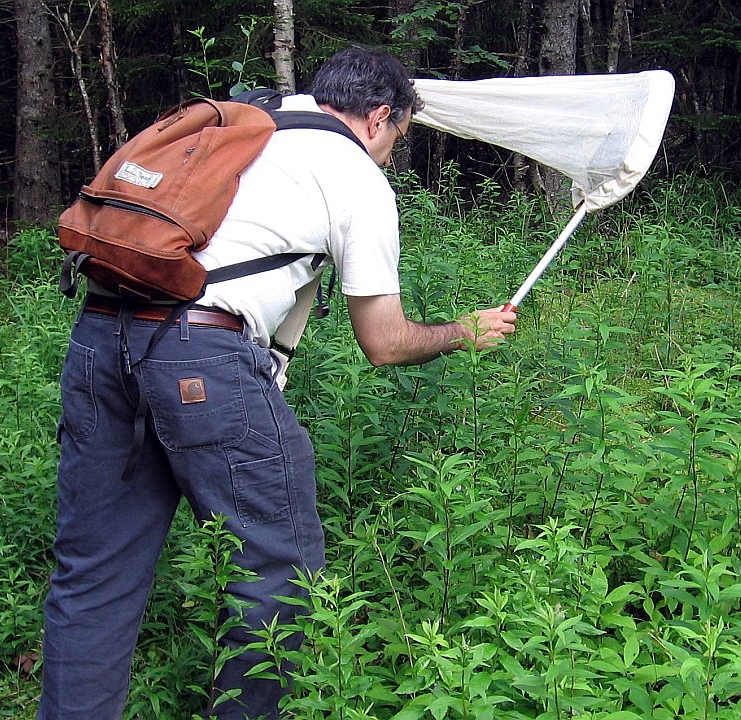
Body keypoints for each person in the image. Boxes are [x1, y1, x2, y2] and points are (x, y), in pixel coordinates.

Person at [38, 46, 517, 720]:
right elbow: (384, 342)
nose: (390, 156)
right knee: (279, 574)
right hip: (200, 354)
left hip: (98, 335)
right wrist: (460, 333)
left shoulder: (249, 124)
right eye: (398, 139)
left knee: (92, 574)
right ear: (379, 117)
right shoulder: (355, 177)